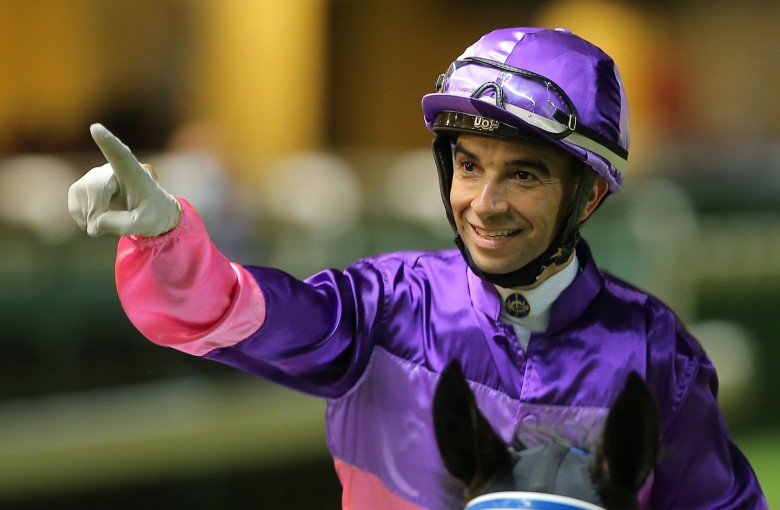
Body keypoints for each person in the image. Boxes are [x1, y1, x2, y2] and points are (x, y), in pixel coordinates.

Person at [68, 27, 767, 509]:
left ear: (588, 196)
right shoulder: (387, 304)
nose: (484, 204)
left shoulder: (656, 352)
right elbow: (236, 309)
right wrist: (165, 235)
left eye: (523, 175)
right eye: (469, 166)